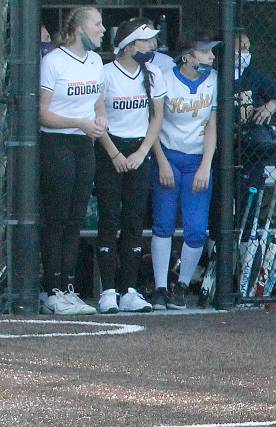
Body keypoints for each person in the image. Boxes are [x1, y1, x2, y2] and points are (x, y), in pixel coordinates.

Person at [93, 18, 166, 314]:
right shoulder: (106, 73)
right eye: (146, 41)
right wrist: (114, 154)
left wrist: (142, 151)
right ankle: (108, 290)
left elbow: (156, 118)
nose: (152, 46)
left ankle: (129, 290)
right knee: (110, 217)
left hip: (139, 150)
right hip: (111, 150)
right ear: (129, 45)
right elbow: (98, 116)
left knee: (135, 219)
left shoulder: (154, 73)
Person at [38, 4, 107, 316]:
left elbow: (99, 104)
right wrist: (79, 123)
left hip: (85, 144)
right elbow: (44, 113)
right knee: (57, 218)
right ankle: (51, 291)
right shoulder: (54, 61)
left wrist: (99, 121)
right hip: (58, 143)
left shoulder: (95, 60)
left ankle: (68, 287)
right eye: (97, 24)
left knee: (76, 218)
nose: (103, 30)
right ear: (80, 28)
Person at [150, 31, 219, 310]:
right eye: (205, 52)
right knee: (163, 224)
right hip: (168, 156)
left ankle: (182, 285)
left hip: (196, 160)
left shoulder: (213, 80)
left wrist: (206, 164)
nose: (212, 57)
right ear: (188, 57)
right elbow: (153, 123)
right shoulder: (166, 79)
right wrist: (162, 161)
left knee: (196, 229)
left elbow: (212, 125)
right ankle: (160, 288)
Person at [234, 29, 276, 205]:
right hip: (221, 149)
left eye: (247, 48)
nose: (246, 52)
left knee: (248, 203)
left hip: (250, 149)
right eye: (241, 48)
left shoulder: (255, 76)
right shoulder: (216, 76)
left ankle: (247, 232)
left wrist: (273, 104)